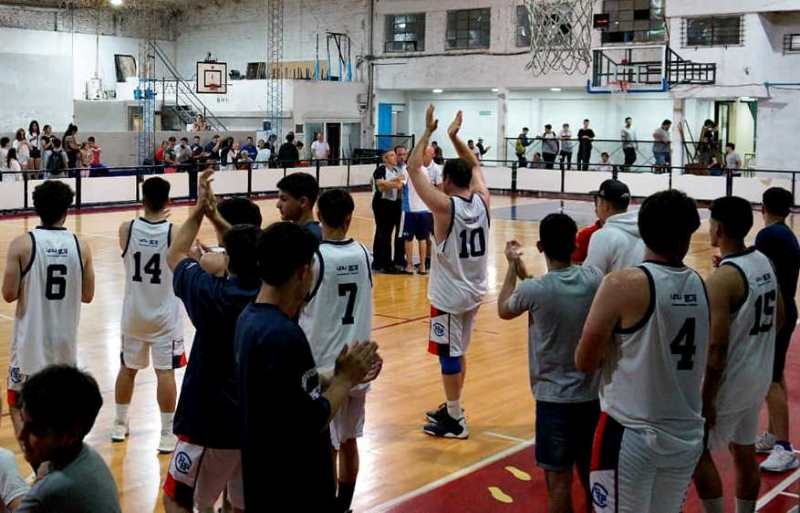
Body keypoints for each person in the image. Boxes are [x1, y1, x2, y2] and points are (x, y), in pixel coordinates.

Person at [576, 189, 707, 513]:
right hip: (686, 433)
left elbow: (585, 360)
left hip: (631, 433)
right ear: (689, 236)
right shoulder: (701, 283)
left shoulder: (621, 285)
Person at [235, 222, 381, 512]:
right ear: (304, 272)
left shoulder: (249, 319)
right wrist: (345, 381)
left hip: (261, 478)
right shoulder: (285, 336)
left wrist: (330, 376)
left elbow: (282, 392)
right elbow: (310, 420)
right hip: (295, 489)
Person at [162, 170, 261, 513]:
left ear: (228, 257)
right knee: (238, 502)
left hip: (208, 419)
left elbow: (174, 255)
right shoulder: (273, 290)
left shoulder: (210, 294)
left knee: (177, 498)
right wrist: (217, 217)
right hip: (255, 419)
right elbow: (249, 253)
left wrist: (199, 211)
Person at [498, 213, 602, 513]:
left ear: (541, 246)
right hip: (591, 398)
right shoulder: (594, 278)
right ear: (574, 245)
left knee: (558, 484)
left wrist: (510, 268)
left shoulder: (536, 290)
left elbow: (505, 308)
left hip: (553, 401)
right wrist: (521, 271)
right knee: (591, 478)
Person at [693, 196, 784, 513]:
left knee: (697, 452)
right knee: (743, 453)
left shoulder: (723, 279)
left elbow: (716, 351)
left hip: (733, 382)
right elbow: (781, 317)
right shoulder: (763, 261)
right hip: (758, 378)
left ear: (717, 229)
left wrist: (706, 401)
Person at [407, 105, 490, 439]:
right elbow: (475, 165)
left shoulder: (443, 207)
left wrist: (428, 132)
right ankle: (453, 404)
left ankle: (455, 420)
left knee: (448, 354)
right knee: (459, 350)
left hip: (449, 295)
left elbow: (413, 168)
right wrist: (455, 137)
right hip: (474, 290)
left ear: (446, 181)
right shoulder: (484, 199)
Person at [299, 189, 375, 513]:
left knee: (324, 446)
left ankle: (326, 507)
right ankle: (343, 506)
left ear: (318, 216)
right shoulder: (365, 253)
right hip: (359, 360)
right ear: (348, 218)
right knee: (349, 441)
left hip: (327, 365)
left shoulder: (314, 260)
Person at [2, 181, 95, 439]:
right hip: (65, 344)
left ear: (36, 208)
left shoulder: (22, 244)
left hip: (29, 344)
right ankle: (56, 460)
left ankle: (37, 460)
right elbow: (88, 295)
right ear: (67, 209)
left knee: (17, 402)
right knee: (60, 408)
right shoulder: (81, 246)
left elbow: (8, 294)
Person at [112, 177, 186, 453]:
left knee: (127, 369)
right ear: (168, 201)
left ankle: (119, 423)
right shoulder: (174, 232)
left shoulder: (126, 229)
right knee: (164, 372)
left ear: (142, 199)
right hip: (164, 316)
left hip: (133, 315)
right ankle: (166, 433)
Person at [0, 365, 121, 512]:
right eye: (23, 422)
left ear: (69, 435)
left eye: (35, 430)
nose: (21, 436)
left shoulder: (52, 490)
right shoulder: (88, 457)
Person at [755, 187, 800, 472]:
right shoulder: (787, 234)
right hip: (786, 310)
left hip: (775, 314)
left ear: (763, 207)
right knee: (775, 375)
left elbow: (757, 273)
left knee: (769, 380)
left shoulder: (768, 236)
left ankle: (784, 447)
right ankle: (773, 435)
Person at [583, 179, 645, 274]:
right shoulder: (645, 231)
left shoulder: (603, 236)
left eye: (598, 201)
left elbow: (591, 278)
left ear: (605, 206)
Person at [401, 145, 438, 275]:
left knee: (408, 238)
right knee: (422, 238)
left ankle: (410, 265)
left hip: (410, 209)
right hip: (424, 209)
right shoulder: (425, 170)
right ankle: (422, 266)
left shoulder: (407, 169)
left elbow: (401, 184)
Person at [371, 149, 404, 273]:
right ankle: (383, 263)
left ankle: (390, 261)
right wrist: (394, 182)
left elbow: (400, 185)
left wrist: (389, 183)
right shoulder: (380, 170)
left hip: (394, 203)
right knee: (383, 233)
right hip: (381, 204)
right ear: (385, 159)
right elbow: (380, 186)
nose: (395, 157)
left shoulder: (397, 170)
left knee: (390, 232)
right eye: (391, 155)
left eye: (395, 155)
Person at [276, 172, 321, 240]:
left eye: (284, 199)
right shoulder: (318, 232)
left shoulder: (309, 237)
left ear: (303, 202)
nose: (278, 205)